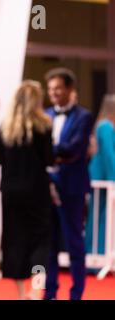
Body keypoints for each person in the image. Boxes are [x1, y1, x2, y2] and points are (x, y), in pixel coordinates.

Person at [0, 80, 53, 300]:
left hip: (11, 191)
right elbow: (49, 158)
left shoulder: (6, 126)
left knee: (14, 240)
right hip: (38, 190)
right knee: (40, 241)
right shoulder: (44, 124)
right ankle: (36, 291)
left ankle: (20, 294)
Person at [43, 68, 93, 300]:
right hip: (46, 187)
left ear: (70, 90)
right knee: (49, 243)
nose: (53, 93)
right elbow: (42, 151)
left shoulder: (84, 116)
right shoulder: (44, 115)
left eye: (58, 88)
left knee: (74, 243)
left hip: (72, 188)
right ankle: (50, 292)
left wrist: (51, 152)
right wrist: (55, 153)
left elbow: (75, 148)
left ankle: (76, 294)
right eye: (50, 89)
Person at [85, 94, 115, 255]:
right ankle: (94, 255)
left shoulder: (105, 126)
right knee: (98, 217)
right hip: (102, 177)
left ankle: (96, 254)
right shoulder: (106, 126)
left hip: (103, 176)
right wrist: (114, 178)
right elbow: (109, 154)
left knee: (102, 216)